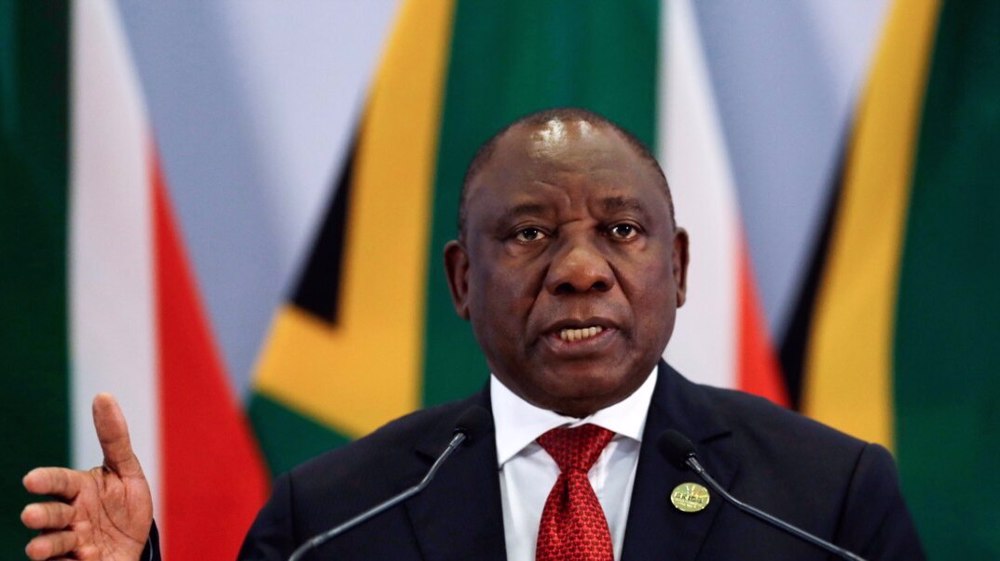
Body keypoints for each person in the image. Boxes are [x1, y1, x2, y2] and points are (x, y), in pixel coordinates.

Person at [21, 108, 925, 560]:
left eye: (622, 229)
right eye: (530, 233)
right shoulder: (328, 521)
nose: (579, 268)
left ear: (679, 268)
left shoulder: (826, 504)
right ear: (462, 278)